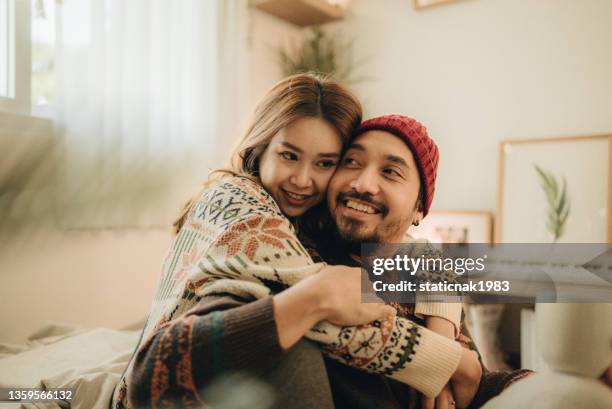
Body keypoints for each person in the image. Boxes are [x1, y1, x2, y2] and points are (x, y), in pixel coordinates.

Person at [111, 74, 480, 409]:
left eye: (326, 163)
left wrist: (445, 320)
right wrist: (446, 359)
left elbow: (425, 256)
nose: (303, 181)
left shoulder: (357, 242)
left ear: (420, 208)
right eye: (290, 155)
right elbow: (317, 303)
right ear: (260, 148)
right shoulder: (246, 206)